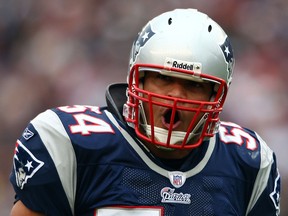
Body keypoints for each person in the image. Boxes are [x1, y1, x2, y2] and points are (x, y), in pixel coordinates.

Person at [9, 8, 281, 216]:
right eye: (164, 79)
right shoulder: (70, 142)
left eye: (193, 84)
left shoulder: (249, 162)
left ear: (216, 95)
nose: (176, 95)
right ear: (136, 80)